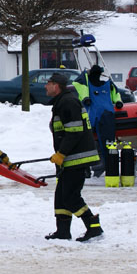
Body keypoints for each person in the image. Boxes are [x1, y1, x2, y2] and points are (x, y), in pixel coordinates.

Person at [44, 72, 104, 242]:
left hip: (77, 158)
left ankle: (94, 227)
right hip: (70, 158)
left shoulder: (67, 102)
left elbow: (75, 132)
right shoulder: (62, 101)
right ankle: (62, 231)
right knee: (61, 196)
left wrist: (61, 154)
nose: (45, 86)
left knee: (70, 196)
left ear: (56, 86)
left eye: (47, 83)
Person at [72, 65, 123, 177]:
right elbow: (82, 90)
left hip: (105, 114)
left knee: (106, 143)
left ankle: (106, 165)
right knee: (89, 143)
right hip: (94, 113)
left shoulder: (108, 85)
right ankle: (88, 168)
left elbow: (116, 94)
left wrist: (118, 102)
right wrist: (86, 98)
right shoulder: (84, 85)